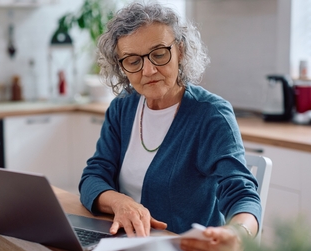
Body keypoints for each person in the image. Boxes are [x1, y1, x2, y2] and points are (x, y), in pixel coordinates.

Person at [78, 2, 261, 251]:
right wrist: (120, 203)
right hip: (123, 243)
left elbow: (243, 194)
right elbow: (93, 176)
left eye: (159, 53)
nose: (149, 70)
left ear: (180, 51)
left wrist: (237, 233)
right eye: (133, 61)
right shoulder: (122, 108)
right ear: (121, 67)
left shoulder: (210, 115)